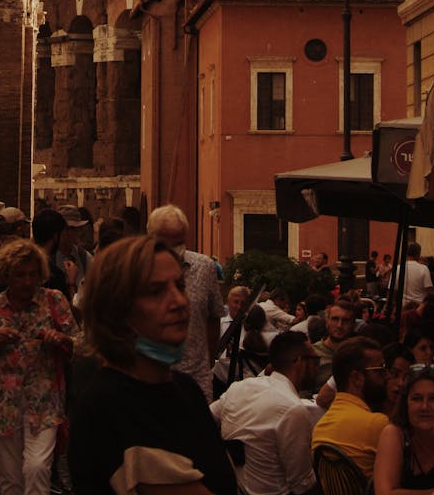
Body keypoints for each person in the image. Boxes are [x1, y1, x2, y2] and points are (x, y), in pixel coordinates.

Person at [67, 234, 237, 495]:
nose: (179, 302)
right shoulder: (107, 407)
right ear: (116, 310)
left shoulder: (186, 389)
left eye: (179, 286)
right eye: (155, 292)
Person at [0, 238, 78, 495]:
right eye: (19, 275)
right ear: (6, 275)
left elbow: (81, 347)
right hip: (1, 404)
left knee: (37, 469)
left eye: (33, 275)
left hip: (44, 402)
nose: (27, 282)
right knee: (11, 481)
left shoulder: (53, 301)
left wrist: (61, 340)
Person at [209, 330, 319, 495]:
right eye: (316, 360)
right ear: (300, 362)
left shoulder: (240, 387)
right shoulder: (293, 409)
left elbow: (205, 418)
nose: (318, 366)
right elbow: (302, 484)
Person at [146, 204, 223, 401]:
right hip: (152, 377)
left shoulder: (205, 267)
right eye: (166, 243)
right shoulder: (138, 270)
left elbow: (213, 318)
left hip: (196, 377)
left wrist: (207, 359)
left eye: (179, 242)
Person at [311, 336, 389, 479]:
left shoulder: (320, 427)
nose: (387, 376)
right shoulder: (377, 423)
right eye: (380, 370)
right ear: (357, 378)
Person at [374, 362, 434, 495]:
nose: (424, 406)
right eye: (416, 399)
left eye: (433, 398)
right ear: (406, 403)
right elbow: (384, 493)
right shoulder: (394, 433)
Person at [312, 297, 356, 390]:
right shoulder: (313, 353)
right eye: (335, 319)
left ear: (353, 324)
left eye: (346, 320)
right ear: (327, 322)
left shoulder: (358, 354)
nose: (340, 325)